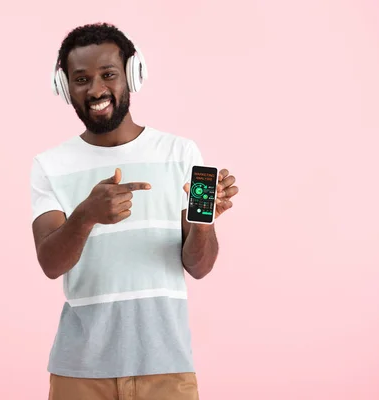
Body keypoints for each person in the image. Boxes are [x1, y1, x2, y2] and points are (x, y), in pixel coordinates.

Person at [30, 22, 239, 400]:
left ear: (132, 74)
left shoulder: (181, 154)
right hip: (80, 372)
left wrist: (202, 225)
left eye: (108, 74)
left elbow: (199, 266)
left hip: (167, 369)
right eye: (81, 79)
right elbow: (50, 263)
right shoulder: (50, 165)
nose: (95, 90)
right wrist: (86, 215)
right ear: (64, 87)